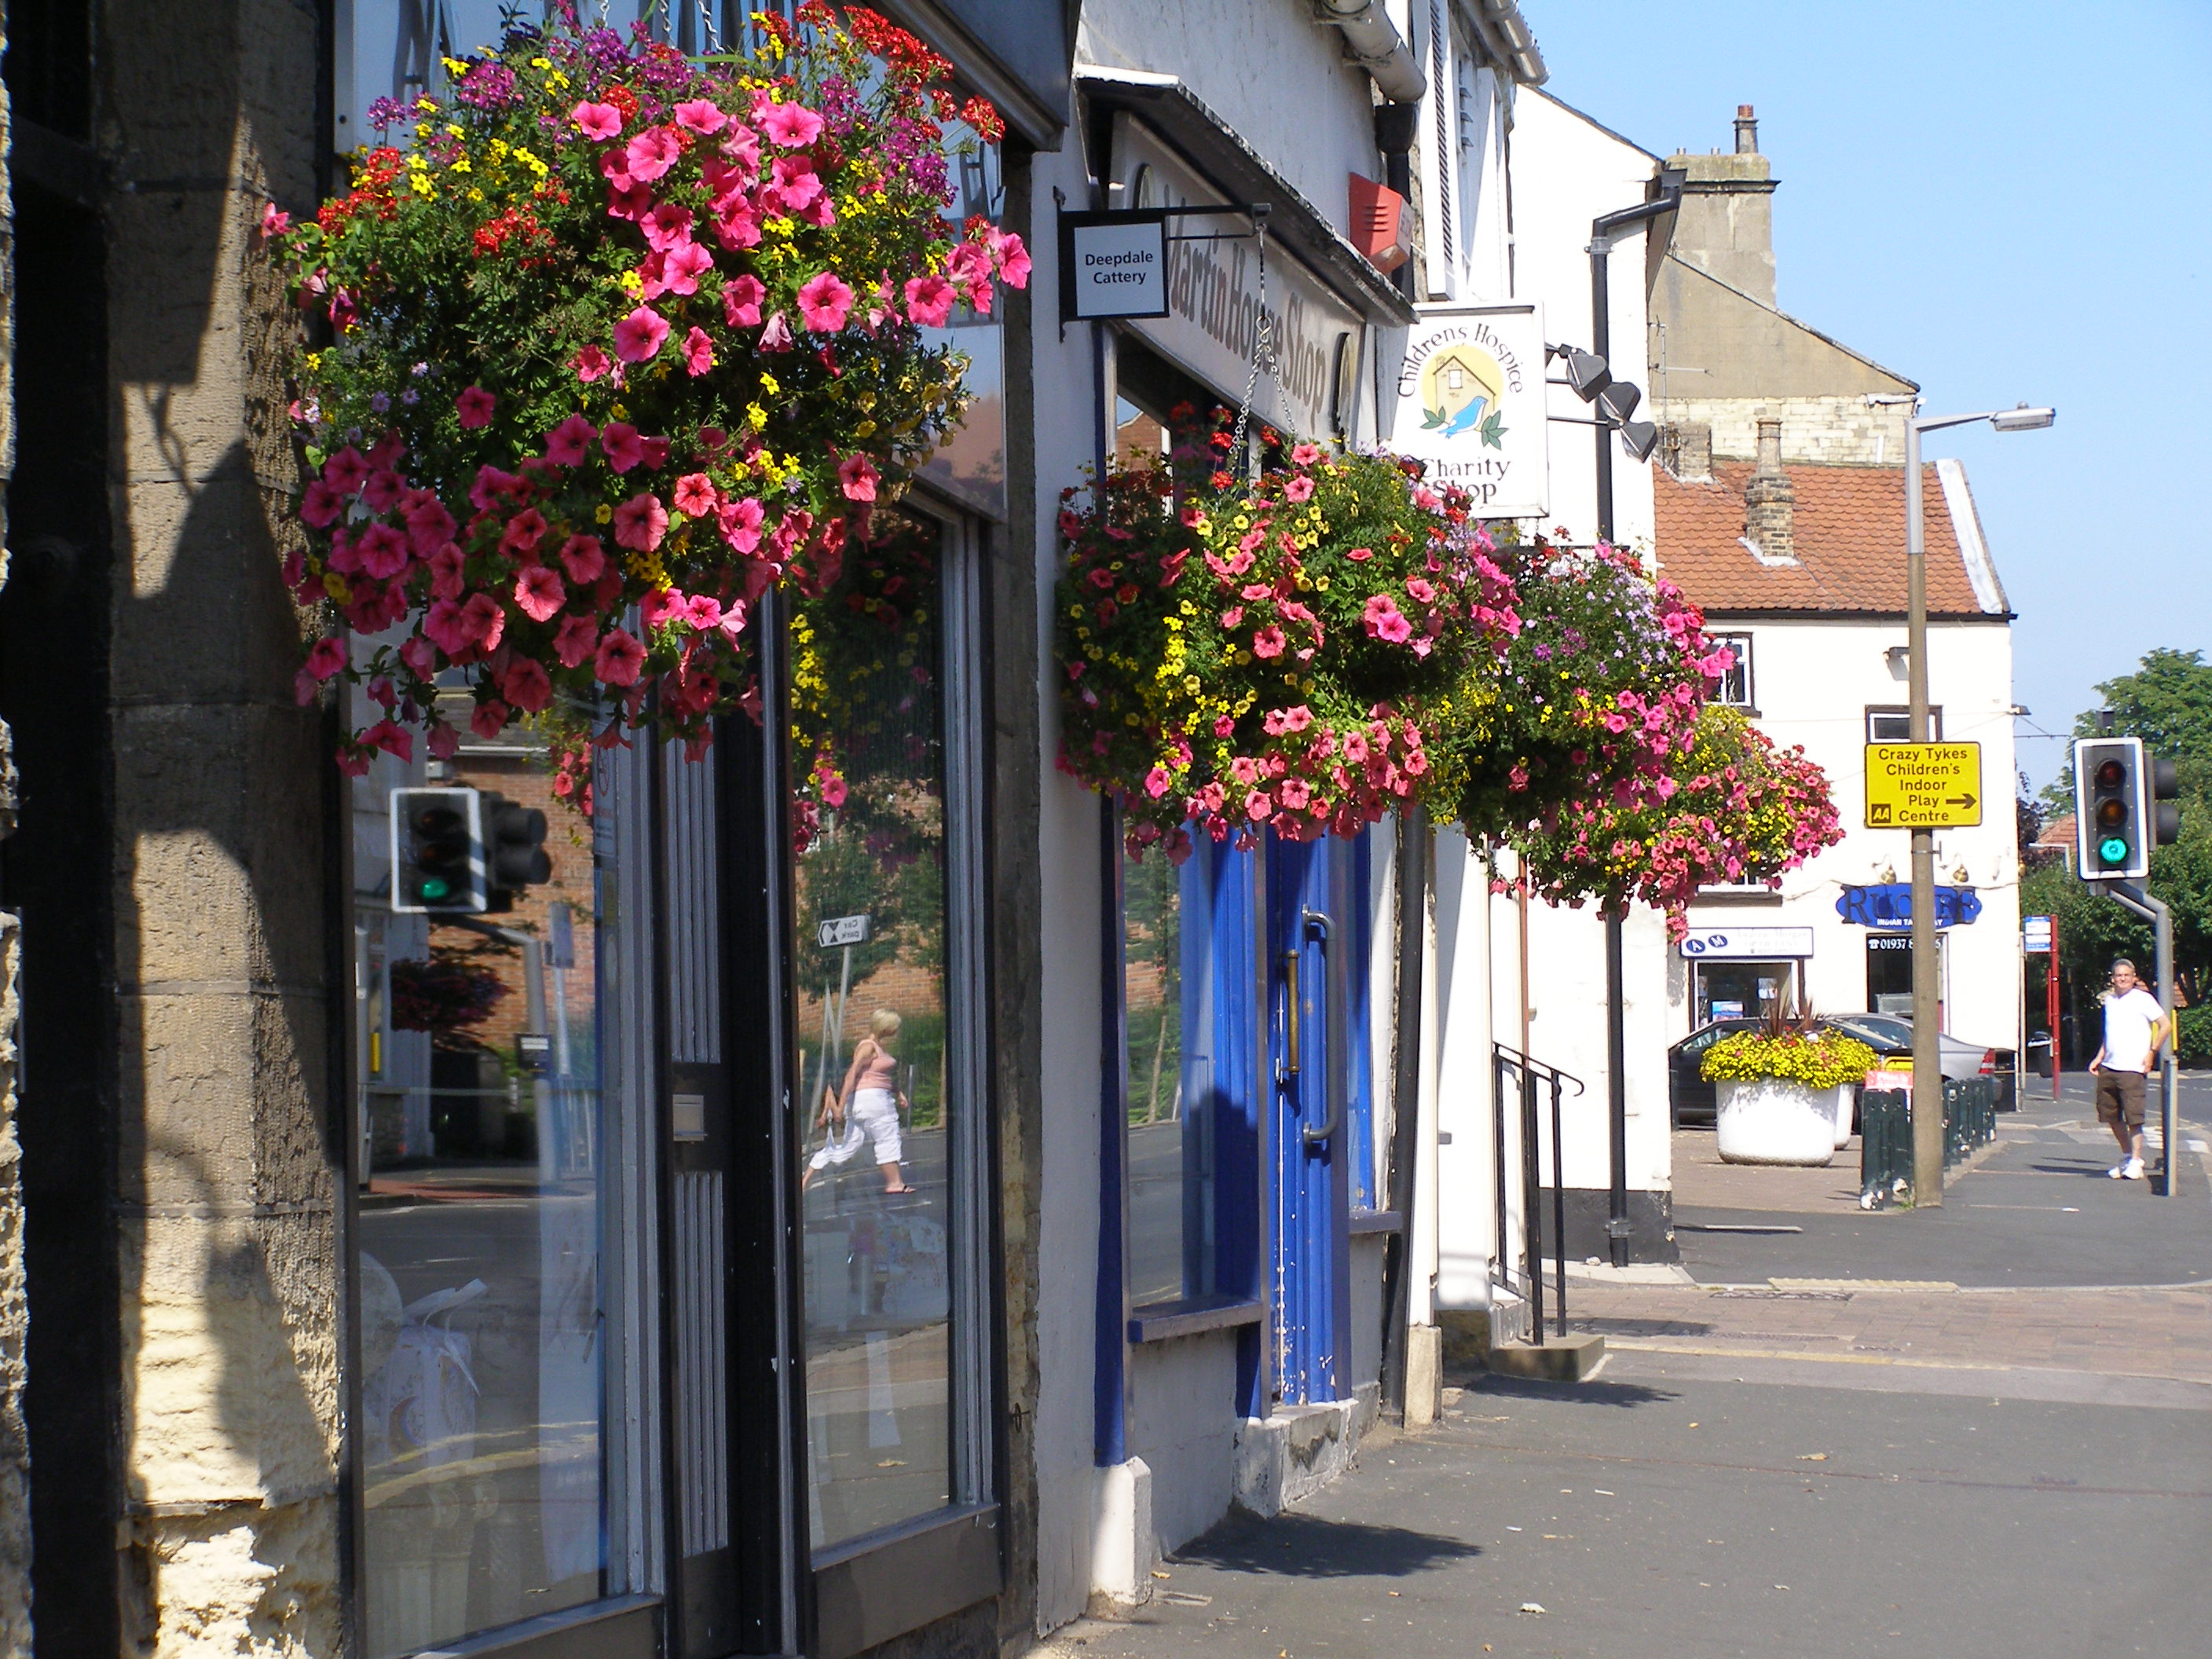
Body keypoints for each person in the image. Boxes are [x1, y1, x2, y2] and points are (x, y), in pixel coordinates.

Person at [802, 1009, 914, 1194]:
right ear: (886, 1027)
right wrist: (838, 1108)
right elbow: (852, 1075)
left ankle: (805, 1177)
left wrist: (898, 1092)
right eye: (894, 1027)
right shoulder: (868, 1047)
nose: (896, 1031)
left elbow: (878, 1076)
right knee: (887, 1137)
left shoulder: (873, 1047)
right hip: (874, 1101)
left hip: (864, 1102)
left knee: (847, 1147)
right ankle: (894, 1183)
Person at [2088, 958, 2166, 1181]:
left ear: (2133, 977)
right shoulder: (2110, 1001)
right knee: (2110, 1115)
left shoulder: (2143, 999)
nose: (2122, 979)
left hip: (2133, 1067)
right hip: (2110, 1066)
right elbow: (2110, 1032)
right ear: (2113, 978)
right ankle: (2126, 1156)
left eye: (2126, 975)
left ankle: (2136, 1161)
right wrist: (2100, 1056)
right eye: (2118, 975)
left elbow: (2165, 1025)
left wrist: (2152, 1052)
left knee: (2134, 1118)